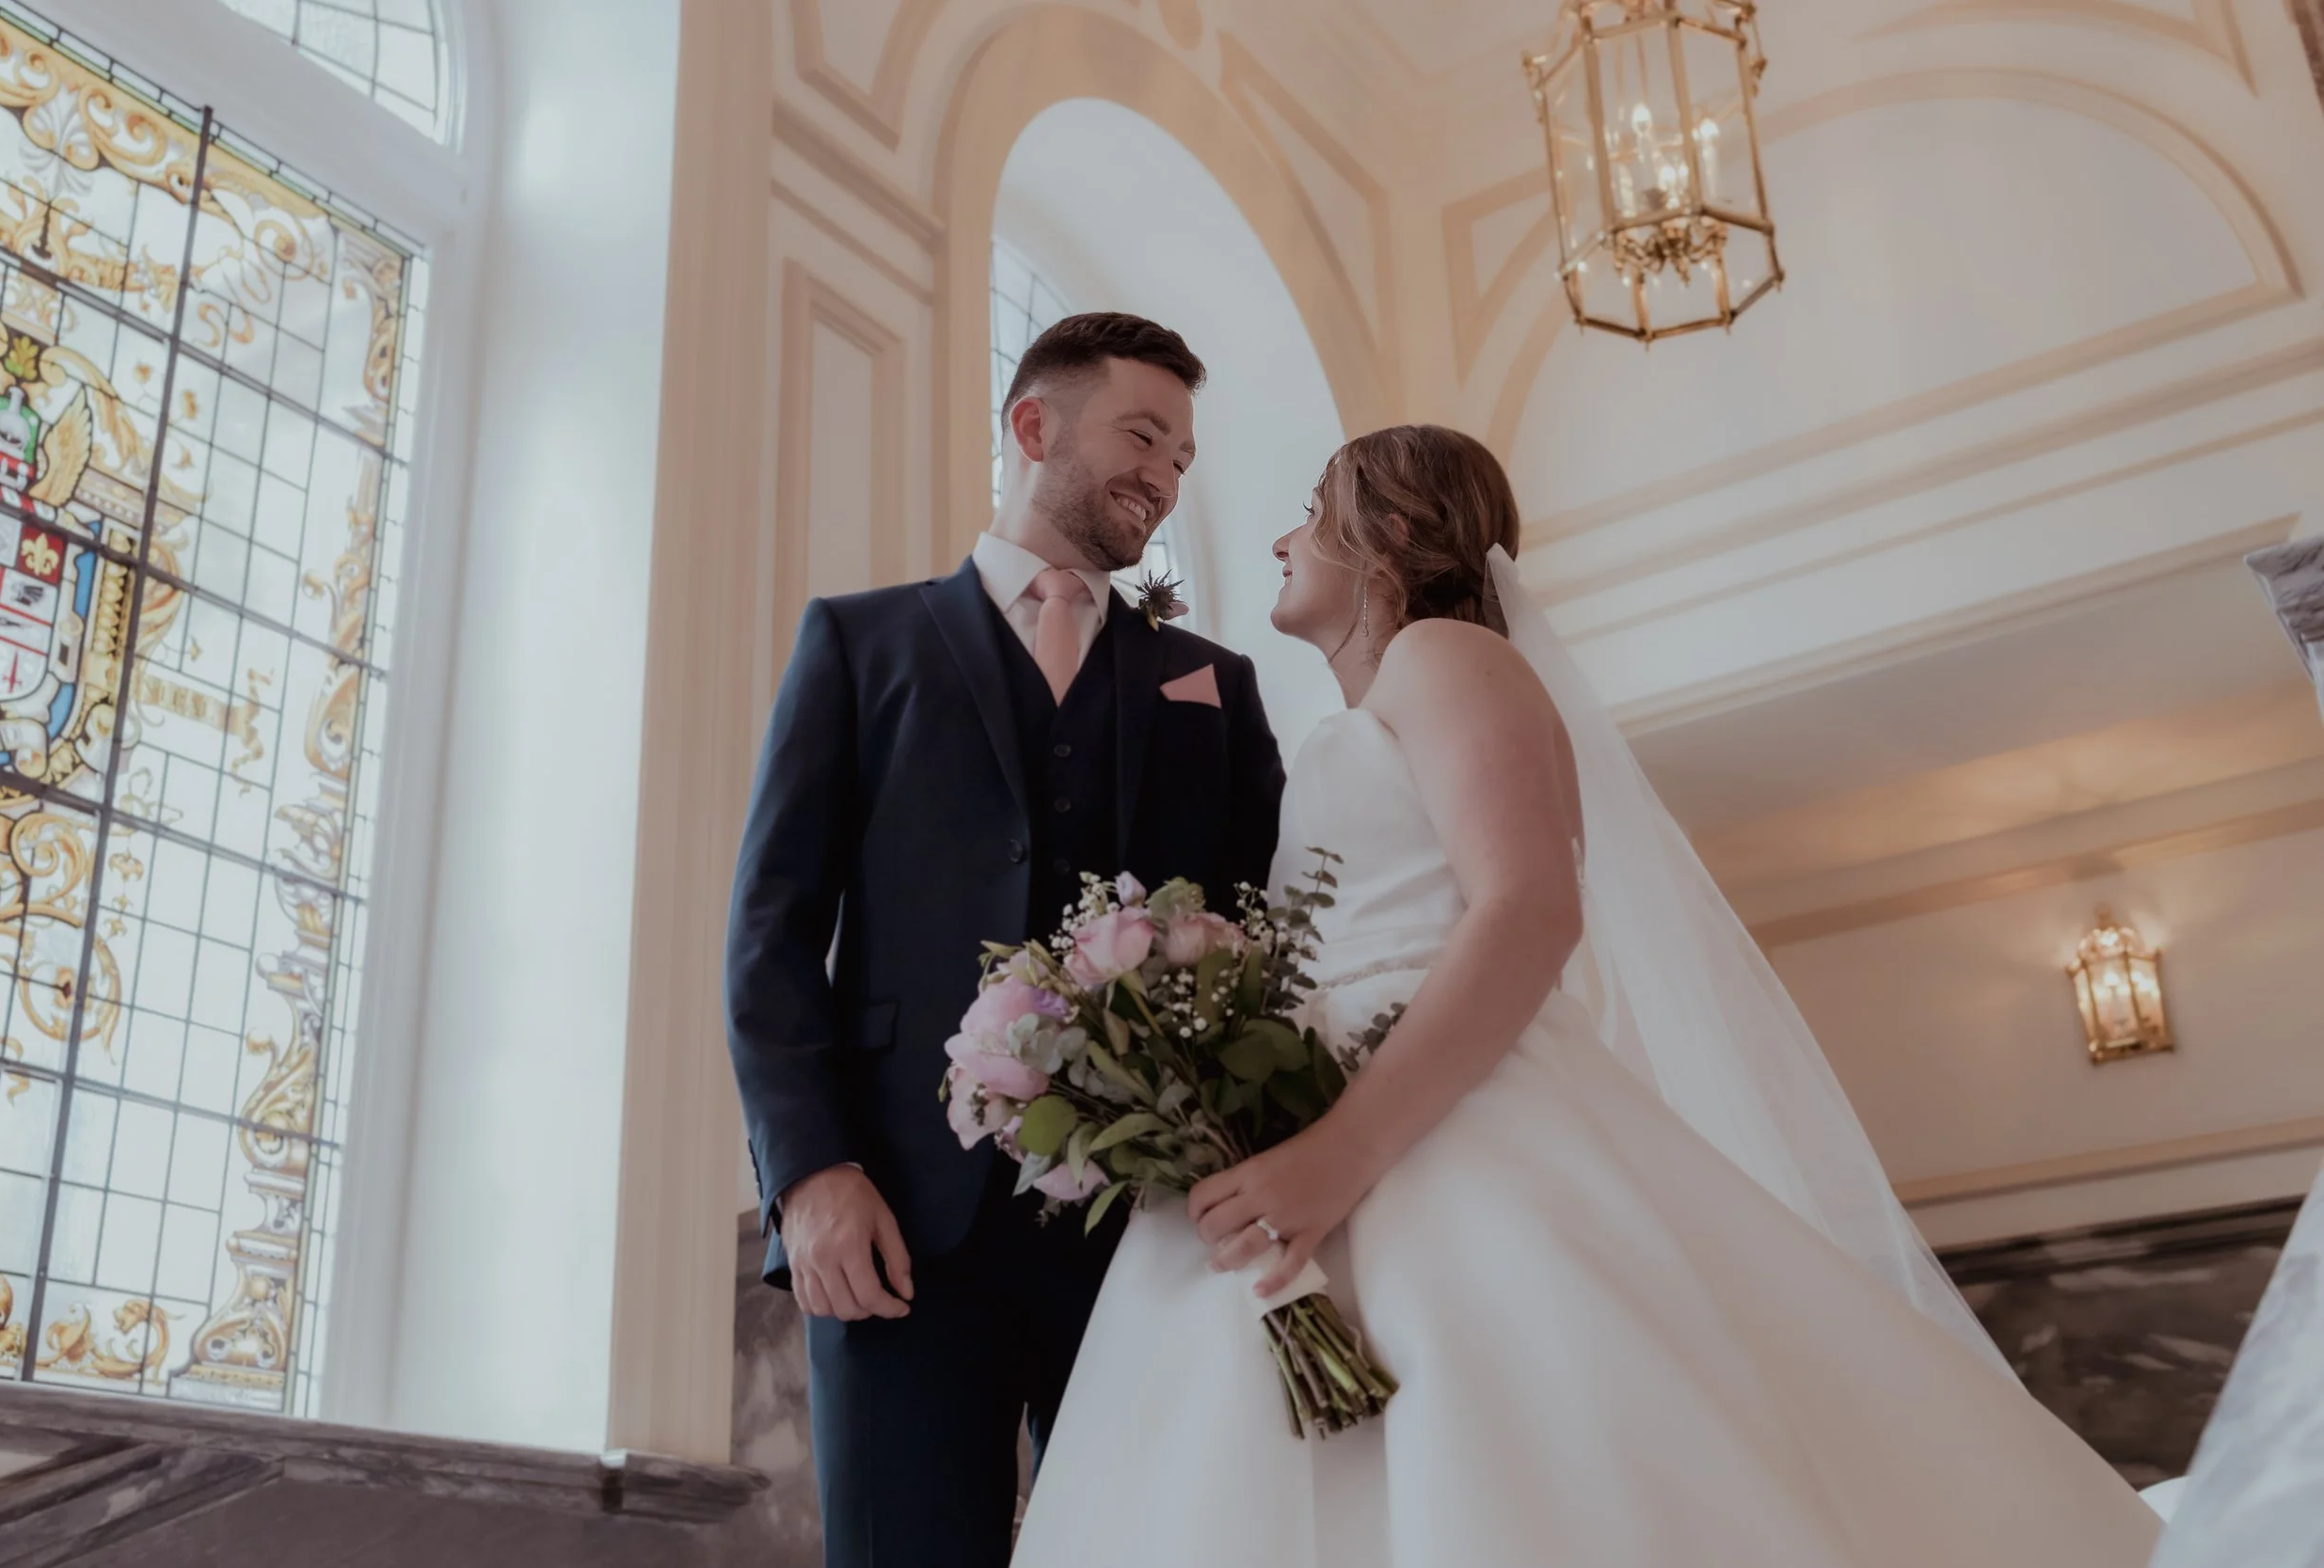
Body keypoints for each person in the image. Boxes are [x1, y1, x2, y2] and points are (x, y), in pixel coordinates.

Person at [1011, 424, 2164, 1566]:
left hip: (1424, 1124)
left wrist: (1340, 1153)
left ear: (1392, 535)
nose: (1280, 536)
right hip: (1329, 1108)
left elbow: (1527, 910)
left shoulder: (1447, 657)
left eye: (1312, 510)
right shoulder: (1380, 701)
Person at [724, 313, 1287, 1567]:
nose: (1166, 474)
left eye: (1185, 457)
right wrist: (808, 1172)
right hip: (897, 1224)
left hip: (1146, 1232)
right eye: (1144, 434)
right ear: (1033, 427)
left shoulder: (1214, 683)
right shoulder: (858, 644)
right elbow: (769, 935)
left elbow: (1268, 942)